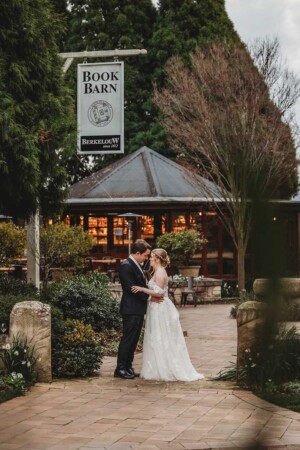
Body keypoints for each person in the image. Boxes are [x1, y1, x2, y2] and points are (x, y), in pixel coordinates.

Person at [132, 248, 204, 381]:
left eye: (152, 257)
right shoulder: (157, 271)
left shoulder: (160, 272)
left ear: (158, 259)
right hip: (155, 306)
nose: (150, 259)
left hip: (160, 308)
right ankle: (156, 367)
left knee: (161, 336)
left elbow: (159, 293)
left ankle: (164, 368)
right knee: (156, 336)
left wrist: (142, 289)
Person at [114, 240, 163, 379]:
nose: (147, 258)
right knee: (127, 339)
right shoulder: (126, 266)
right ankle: (120, 368)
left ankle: (128, 367)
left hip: (138, 309)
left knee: (134, 340)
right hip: (130, 309)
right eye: (145, 255)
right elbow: (130, 289)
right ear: (137, 253)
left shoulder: (137, 265)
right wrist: (149, 298)